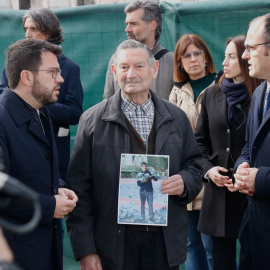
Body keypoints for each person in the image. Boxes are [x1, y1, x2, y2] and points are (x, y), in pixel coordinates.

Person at [66, 39, 203, 270]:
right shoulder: (91, 121)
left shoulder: (176, 118)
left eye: (139, 66)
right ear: (113, 71)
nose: (131, 74)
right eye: (123, 67)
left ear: (154, 69)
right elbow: (79, 189)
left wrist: (185, 181)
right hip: (113, 245)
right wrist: (86, 250)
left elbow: (195, 165)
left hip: (164, 242)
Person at [0, 39, 78, 270]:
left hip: (45, 249)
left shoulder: (41, 113)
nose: (61, 79)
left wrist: (58, 186)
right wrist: (48, 205)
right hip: (15, 256)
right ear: (27, 77)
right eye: (53, 72)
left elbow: (36, 171)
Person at [195, 35, 263, 270]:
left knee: (253, 258)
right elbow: (198, 143)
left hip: (251, 192)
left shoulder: (261, 95)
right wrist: (209, 170)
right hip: (218, 192)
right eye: (224, 56)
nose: (224, 62)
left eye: (231, 56)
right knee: (219, 260)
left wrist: (245, 176)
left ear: (245, 59)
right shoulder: (210, 95)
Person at [0, 7, 84, 181]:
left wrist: (40, 104)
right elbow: (4, 94)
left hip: (54, 150)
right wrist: (28, 104)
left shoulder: (70, 68)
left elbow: (74, 113)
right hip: (19, 145)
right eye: (26, 29)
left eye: (34, 29)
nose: (28, 34)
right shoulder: (16, 64)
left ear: (49, 31)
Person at [169, 34, 216, 270]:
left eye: (197, 53)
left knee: (213, 247)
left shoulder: (222, 86)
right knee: (190, 245)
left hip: (213, 178)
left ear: (207, 57)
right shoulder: (176, 93)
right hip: (186, 178)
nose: (193, 59)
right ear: (180, 63)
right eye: (186, 55)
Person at [233, 14, 270, 270]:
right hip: (255, 229)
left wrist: (261, 180)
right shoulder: (259, 92)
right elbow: (250, 146)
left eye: (250, 48)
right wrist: (242, 166)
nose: (245, 56)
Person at [103, 0, 174, 100]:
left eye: (133, 24)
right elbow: (107, 102)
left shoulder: (172, 61)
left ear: (152, 25)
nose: (127, 29)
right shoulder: (116, 59)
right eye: (127, 24)